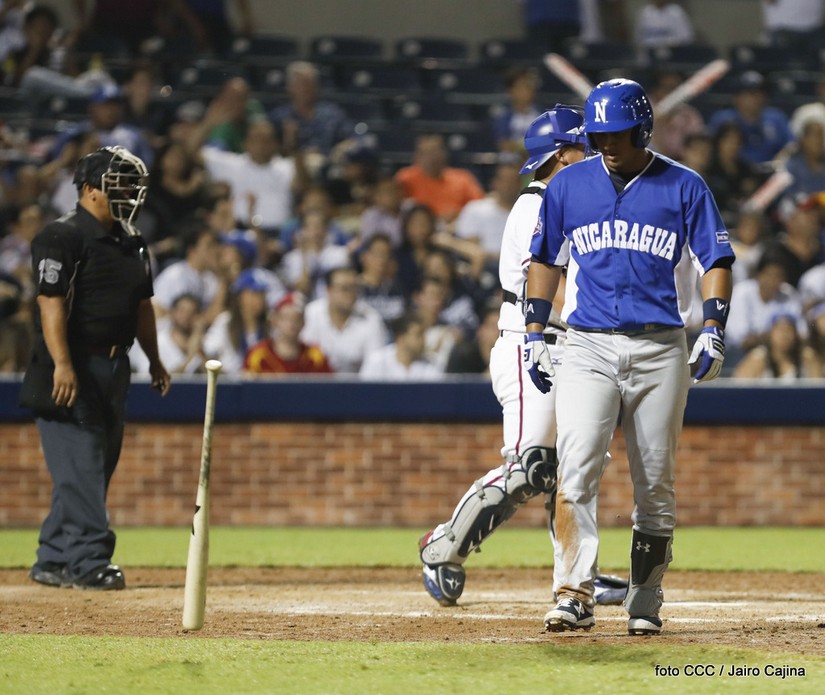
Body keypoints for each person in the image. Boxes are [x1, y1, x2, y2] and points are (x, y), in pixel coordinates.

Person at [524, 80, 734, 635]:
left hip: (660, 345)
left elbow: (715, 258)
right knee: (575, 469)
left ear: (642, 130)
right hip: (587, 343)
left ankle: (645, 597)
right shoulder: (568, 185)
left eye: (617, 134)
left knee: (656, 482)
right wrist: (534, 332)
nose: (607, 144)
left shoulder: (684, 184)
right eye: (598, 135)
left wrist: (713, 327)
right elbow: (544, 259)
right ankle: (573, 594)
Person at [420, 106, 629, 609]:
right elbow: (550, 289)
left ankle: (579, 572)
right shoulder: (535, 205)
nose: (594, 154)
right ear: (560, 155)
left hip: (575, 346)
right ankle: (442, 546)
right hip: (530, 341)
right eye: (582, 146)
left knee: (575, 467)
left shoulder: (579, 205)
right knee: (531, 466)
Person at [19, 145, 171, 590]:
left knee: (93, 468)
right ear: (89, 189)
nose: (128, 193)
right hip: (71, 366)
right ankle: (89, 560)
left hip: (115, 365)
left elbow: (142, 306)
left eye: (131, 184)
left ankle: (54, 558)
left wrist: (155, 359)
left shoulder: (131, 239)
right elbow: (50, 303)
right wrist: (63, 365)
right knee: (83, 465)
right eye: (118, 184)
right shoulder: (61, 236)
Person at [300, 265, 387, 373]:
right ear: (329, 290)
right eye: (344, 289)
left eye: (355, 288)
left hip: (356, 382)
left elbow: (375, 366)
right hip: (315, 379)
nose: (351, 294)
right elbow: (301, 355)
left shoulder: (371, 318)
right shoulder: (311, 314)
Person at [394, 133, 485, 228]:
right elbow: (394, 209)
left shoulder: (463, 178)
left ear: (444, 154)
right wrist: (435, 220)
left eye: (435, 152)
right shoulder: (405, 178)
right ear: (416, 156)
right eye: (425, 153)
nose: (431, 158)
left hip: (456, 229)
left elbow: (480, 207)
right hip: (419, 230)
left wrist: (459, 216)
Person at [243, 292, 333, 374]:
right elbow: (246, 383)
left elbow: (329, 384)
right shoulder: (257, 355)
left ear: (303, 323)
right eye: (286, 318)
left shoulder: (316, 356)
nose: (291, 324)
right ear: (275, 321)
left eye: (297, 319)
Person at [732, 312, 821, 379]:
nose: (784, 335)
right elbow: (740, 389)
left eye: (788, 330)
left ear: (796, 334)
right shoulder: (758, 358)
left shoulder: (807, 357)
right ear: (770, 334)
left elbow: (817, 388)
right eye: (779, 330)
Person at [358, 312, 441, 381]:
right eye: (418, 335)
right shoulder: (377, 361)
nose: (423, 340)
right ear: (401, 338)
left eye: (423, 335)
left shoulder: (431, 363)